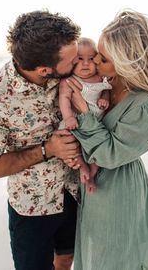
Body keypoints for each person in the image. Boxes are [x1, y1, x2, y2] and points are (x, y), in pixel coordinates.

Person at [65, 9, 148, 270]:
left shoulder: (145, 105)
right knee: (95, 249)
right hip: (91, 185)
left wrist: (82, 110)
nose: (94, 62)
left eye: (102, 58)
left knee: (118, 252)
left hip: (118, 188)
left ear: (126, 61)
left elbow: (110, 154)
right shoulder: (106, 81)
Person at [0, 10, 82, 270]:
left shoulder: (68, 73)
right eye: (72, 60)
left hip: (74, 190)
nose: (79, 62)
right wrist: (48, 149)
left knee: (67, 259)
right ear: (45, 70)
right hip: (32, 207)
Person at [59, 37, 112, 193]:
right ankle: (83, 168)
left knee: (97, 150)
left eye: (90, 59)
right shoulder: (69, 81)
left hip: (97, 124)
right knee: (72, 146)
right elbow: (64, 99)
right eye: (80, 59)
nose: (86, 63)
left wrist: (104, 98)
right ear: (72, 61)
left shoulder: (100, 78)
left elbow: (106, 90)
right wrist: (68, 117)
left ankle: (92, 175)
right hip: (75, 122)